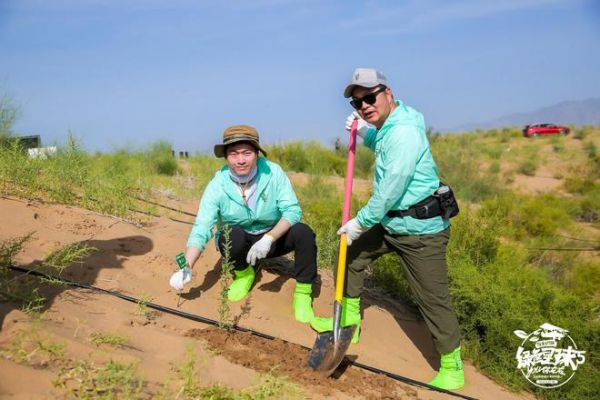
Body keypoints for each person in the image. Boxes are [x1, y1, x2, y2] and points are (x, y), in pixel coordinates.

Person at [310, 68, 464, 390]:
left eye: (370, 97)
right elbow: (384, 143)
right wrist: (366, 134)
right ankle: (349, 321)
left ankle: (453, 365)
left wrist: (360, 222)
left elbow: (391, 187)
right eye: (357, 103)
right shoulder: (391, 123)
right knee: (350, 253)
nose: (364, 106)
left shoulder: (404, 131)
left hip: (420, 231)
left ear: (387, 93)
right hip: (392, 222)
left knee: (432, 299)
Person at [169, 125, 317, 323]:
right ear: (226, 157)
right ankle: (244, 273)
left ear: (257, 154)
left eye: (247, 153)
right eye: (233, 154)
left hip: (272, 237)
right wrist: (186, 267)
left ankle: (303, 293)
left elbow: (292, 211)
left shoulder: (273, 173)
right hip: (242, 242)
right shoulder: (218, 185)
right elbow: (202, 227)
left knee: (304, 233)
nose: (240, 160)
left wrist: (269, 238)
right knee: (229, 235)